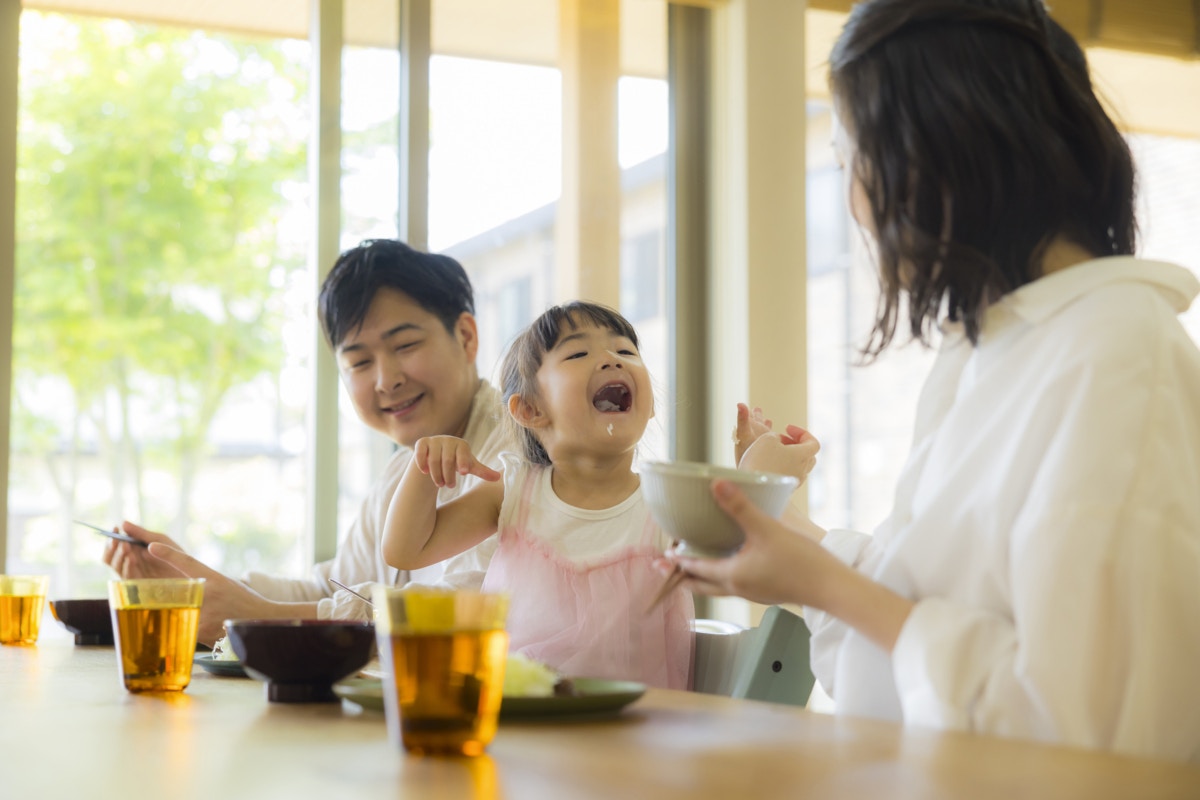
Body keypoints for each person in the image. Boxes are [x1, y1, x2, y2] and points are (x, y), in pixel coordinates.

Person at [664, 0, 1200, 763]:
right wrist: (786, 543)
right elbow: (922, 604)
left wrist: (828, 585)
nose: (854, 202)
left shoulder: (1116, 361)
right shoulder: (993, 352)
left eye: (850, 160)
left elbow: (1084, 737)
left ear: (934, 152)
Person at [103, 239, 513, 644]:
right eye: (359, 362)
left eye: (405, 345)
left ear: (466, 337)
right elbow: (331, 591)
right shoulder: (401, 473)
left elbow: (464, 610)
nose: (386, 380)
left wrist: (258, 616)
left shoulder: (519, 453)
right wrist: (194, 582)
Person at [383, 302, 809, 689]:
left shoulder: (667, 506)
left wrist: (756, 483)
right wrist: (424, 469)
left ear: (650, 406)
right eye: (577, 354)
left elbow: (761, 575)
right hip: (520, 721)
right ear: (530, 410)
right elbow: (406, 550)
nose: (610, 359)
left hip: (631, 733)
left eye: (625, 351)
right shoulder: (513, 492)